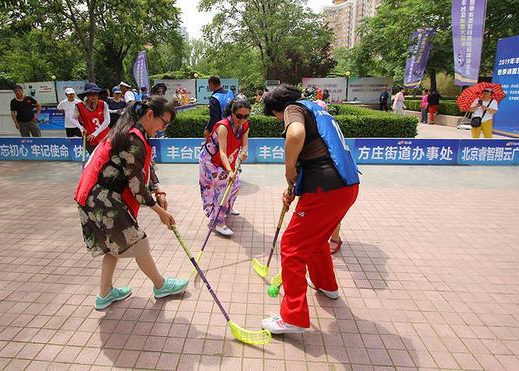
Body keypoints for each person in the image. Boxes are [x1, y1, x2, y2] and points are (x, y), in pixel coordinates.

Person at [260, 85, 359, 334]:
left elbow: (295, 135)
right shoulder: (317, 109)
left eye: (275, 117)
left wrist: (288, 168)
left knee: (292, 246)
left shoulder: (293, 109)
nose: (278, 121)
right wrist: (295, 187)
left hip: (325, 189)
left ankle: (293, 317)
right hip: (346, 186)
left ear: (277, 109)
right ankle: (327, 285)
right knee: (315, 240)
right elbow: (318, 151)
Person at [74, 96, 188, 309]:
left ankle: (105, 294)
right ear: (150, 114)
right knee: (137, 241)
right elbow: (136, 185)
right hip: (101, 198)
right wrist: (160, 212)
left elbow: (144, 166)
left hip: (93, 196)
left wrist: (158, 187)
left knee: (113, 248)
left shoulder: (135, 133)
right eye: (164, 123)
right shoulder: (133, 137)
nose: (163, 129)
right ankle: (160, 285)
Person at [199, 99, 250, 236]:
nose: (242, 119)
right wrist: (229, 171)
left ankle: (228, 208)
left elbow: (244, 144)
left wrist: (244, 152)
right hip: (210, 161)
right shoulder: (223, 127)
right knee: (223, 188)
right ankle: (218, 221)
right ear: (232, 113)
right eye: (239, 116)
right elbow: (222, 151)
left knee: (236, 184)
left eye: (246, 116)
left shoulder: (245, 126)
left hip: (228, 158)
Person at [74, 83, 110, 153]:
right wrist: (81, 128)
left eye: (95, 94)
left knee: (108, 156)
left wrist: (95, 133)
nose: (93, 96)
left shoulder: (103, 104)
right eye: (90, 94)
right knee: (94, 157)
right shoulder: (79, 106)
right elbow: (73, 118)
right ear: (86, 95)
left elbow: (107, 121)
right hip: (89, 136)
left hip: (104, 135)